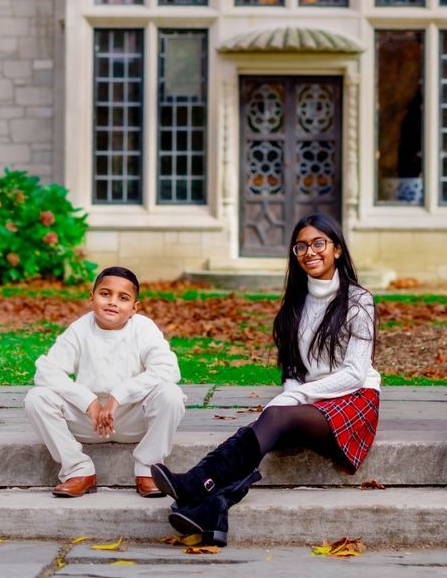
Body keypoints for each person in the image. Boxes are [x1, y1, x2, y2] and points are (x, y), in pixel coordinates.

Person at [151, 213, 379, 545]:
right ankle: (213, 509)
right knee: (267, 428)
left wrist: (294, 399)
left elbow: (355, 374)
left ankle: (197, 482)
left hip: (354, 401)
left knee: (273, 418)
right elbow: (294, 372)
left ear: (338, 250)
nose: (310, 252)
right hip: (312, 404)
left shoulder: (359, 301)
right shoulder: (295, 304)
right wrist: (289, 396)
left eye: (319, 243)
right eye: (301, 246)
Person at [25, 265, 186, 498]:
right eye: (105, 294)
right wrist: (88, 402)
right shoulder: (80, 329)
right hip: (89, 421)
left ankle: (148, 469)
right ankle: (78, 470)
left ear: (134, 308)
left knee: (170, 394)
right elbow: (46, 371)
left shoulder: (143, 328)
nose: (112, 302)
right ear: (92, 298)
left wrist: (118, 396)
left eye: (123, 298)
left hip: (131, 417)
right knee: (36, 398)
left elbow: (168, 369)